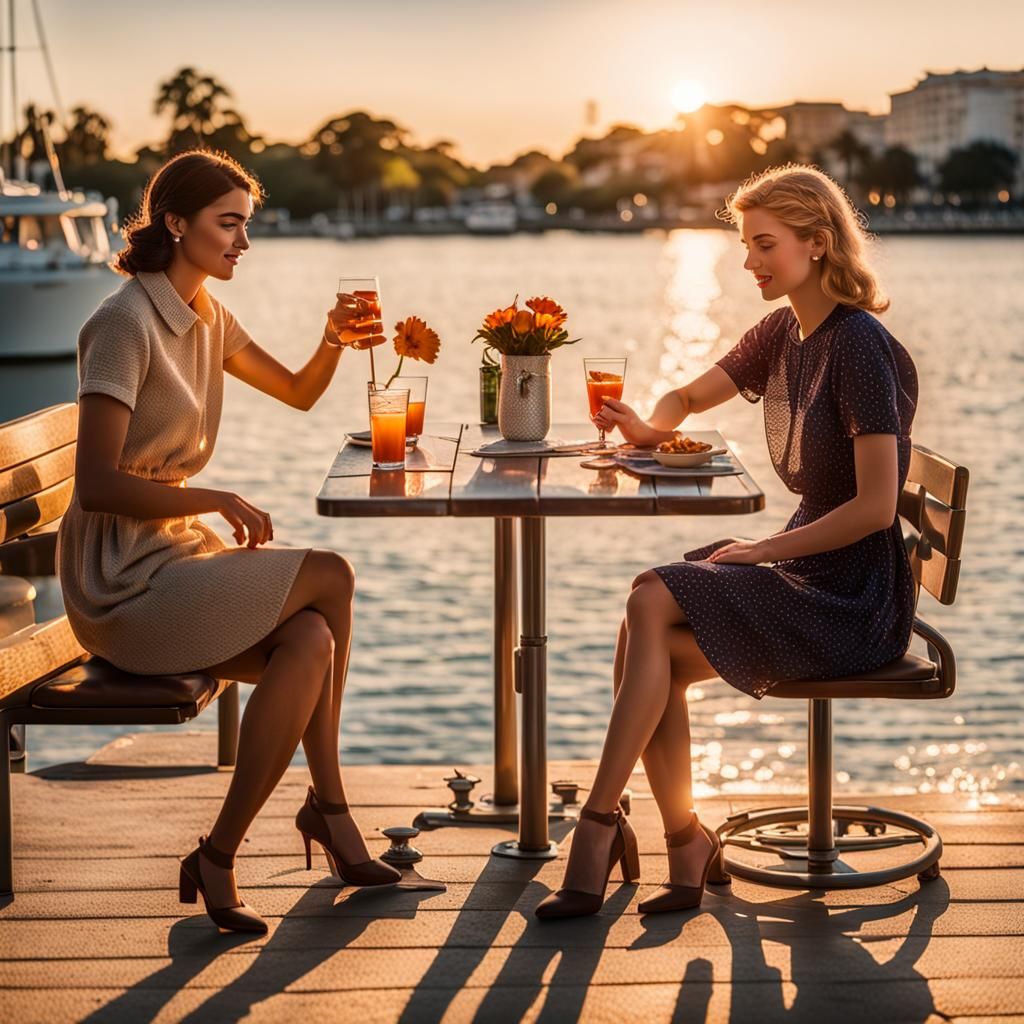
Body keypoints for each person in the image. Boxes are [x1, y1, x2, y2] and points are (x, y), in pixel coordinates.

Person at [535, 164, 919, 920]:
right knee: (648, 635)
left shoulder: (859, 347)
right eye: (747, 245)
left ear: (817, 242)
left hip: (854, 597)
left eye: (764, 245)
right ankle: (681, 838)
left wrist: (763, 551)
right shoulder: (785, 331)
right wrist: (652, 427)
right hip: (811, 565)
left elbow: (877, 509)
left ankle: (602, 826)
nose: (749, 262)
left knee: (652, 596)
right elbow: (689, 393)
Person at [56, 149, 401, 934]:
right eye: (229, 223)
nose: (243, 241)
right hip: (119, 583)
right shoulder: (122, 324)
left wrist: (332, 338)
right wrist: (212, 497)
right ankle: (331, 809)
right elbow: (96, 484)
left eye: (247, 224)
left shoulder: (206, 314)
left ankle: (222, 851)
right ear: (176, 224)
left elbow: (299, 393)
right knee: (331, 573)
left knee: (310, 640)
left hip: (173, 554)